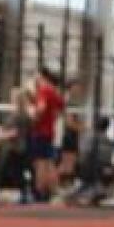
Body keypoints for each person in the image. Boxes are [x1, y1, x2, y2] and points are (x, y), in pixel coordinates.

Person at [27, 68, 64, 201]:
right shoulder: (54, 92)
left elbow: (41, 109)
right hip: (49, 131)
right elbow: (60, 109)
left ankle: (40, 192)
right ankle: (53, 191)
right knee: (49, 162)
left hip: (40, 131)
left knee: (40, 163)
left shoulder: (44, 90)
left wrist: (33, 118)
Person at [58, 79, 85, 186]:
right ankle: (63, 185)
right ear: (71, 88)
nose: (79, 89)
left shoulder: (75, 102)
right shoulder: (70, 102)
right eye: (77, 87)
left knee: (69, 163)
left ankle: (63, 184)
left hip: (73, 135)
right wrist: (82, 128)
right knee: (68, 164)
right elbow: (69, 122)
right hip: (69, 135)